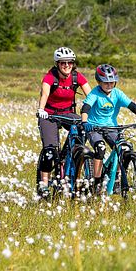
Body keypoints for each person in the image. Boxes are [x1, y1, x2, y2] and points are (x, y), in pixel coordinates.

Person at [81, 64, 136, 183]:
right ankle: (97, 182)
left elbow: (133, 106)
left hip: (111, 127)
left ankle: (117, 178)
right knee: (100, 148)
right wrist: (85, 121)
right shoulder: (94, 93)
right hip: (94, 127)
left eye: (112, 82)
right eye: (106, 82)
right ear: (99, 82)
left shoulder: (117, 93)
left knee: (123, 148)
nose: (109, 85)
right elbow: (85, 108)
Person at [36, 47, 92, 191]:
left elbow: (91, 96)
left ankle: (71, 155)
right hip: (49, 114)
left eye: (69, 63)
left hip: (68, 113)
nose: (66, 65)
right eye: (62, 63)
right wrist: (41, 110)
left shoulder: (76, 77)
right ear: (57, 64)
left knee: (83, 128)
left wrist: (94, 112)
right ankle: (44, 184)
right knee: (49, 150)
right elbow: (45, 94)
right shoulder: (50, 77)